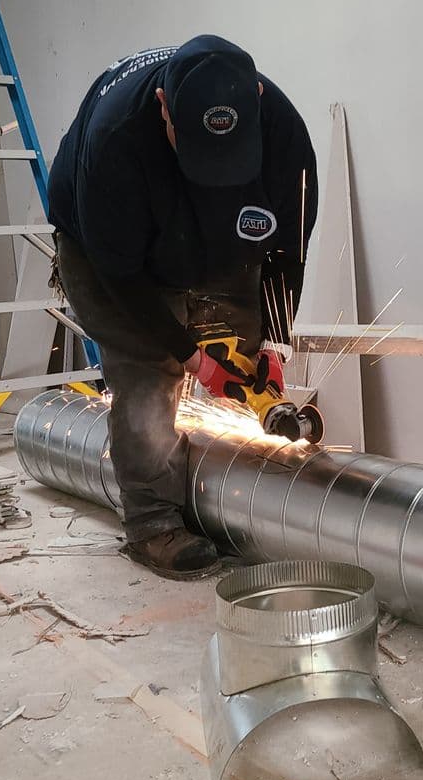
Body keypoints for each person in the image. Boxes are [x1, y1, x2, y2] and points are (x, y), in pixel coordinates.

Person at [48, 35, 318, 580]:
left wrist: (273, 343)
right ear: (164, 108)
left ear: (258, 97)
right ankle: (153, 525)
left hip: (219, 245)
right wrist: (189, 357)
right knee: (151, 377)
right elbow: (120, 278)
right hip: (110, 259)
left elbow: (288, 250)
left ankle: (224, 491)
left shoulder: (285, 134)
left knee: (241, 354)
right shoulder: (115, 141)